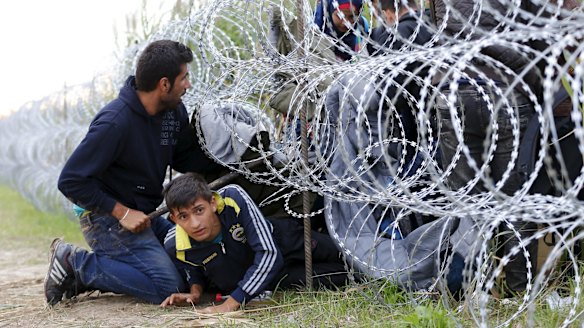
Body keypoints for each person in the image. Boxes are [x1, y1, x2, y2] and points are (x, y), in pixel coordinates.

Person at [45, 40, 222, 305]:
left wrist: (233, 161)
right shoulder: (115, 123)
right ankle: (77, 264)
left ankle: (111, 266)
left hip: (146, 215)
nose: (188, 85)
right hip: (105, 219)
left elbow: (183, 157)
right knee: (168, 287)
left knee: (193, 268)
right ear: (164, 84)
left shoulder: (173, 113)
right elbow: (71, 181)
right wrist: (122, 213)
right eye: (184, 77)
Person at [429, 0, 540, 295]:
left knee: (468, 203)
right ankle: (520, 290)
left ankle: (474, 289)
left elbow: (443, 26)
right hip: (508, 89)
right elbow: (536, 27)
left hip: (456, 89)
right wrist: (537, 82)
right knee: (515, 201)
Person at [159, 172, 351, 313]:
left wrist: (231, 303)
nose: (194, 223)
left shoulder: (232, 198)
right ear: (174, 220)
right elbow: (193, 268)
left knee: (350, 253)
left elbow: (269, 253)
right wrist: (195, 292)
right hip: (276, 278)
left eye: (199, 210)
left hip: (289, 243)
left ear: (212, 203)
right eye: (183, 216)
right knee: (350, 275)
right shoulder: (174, 244)